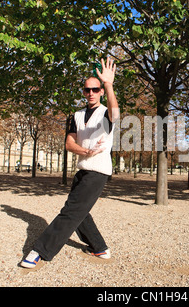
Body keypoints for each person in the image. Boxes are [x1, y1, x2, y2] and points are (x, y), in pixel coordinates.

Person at [21, 57, 119, 269]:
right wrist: (85, 150)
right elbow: (69, 143)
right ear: (83, 92)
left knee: (71, 211)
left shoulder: (105, 114)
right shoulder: (76, 115)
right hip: (82, 168)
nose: (91, 93)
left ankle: (40, 250)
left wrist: (109, 84)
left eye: (95, 89)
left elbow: (115, 113)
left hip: (98, 171)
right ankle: (99, 247)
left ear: (101, 91)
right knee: (78, 211)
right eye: (87, 90)